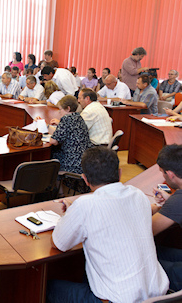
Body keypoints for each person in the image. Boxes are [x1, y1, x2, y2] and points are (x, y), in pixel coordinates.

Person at [47, 147, 169, 303]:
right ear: (119, 173)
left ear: (85, 179)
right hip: (158, 296)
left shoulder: (85, 205)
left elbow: (58, 243)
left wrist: (68, 216)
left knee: (50, 287)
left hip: (117, 300)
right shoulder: (138, 195)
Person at [152, 145, 182, 291]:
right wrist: (171, 200)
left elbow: (146, 231)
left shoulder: (178, 201)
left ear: (170, 174)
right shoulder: (177, 201)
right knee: (157, 250)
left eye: (162, 174)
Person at [48, 95, 93, 173]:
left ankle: (54, 183)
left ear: (68, 108)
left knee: (52, 154)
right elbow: (60, 133)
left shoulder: (66, 119)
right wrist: (47, 127)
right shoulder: (78, 117)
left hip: (72, 162)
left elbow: (53, 141)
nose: (59, 112)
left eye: (60, 109)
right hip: (84, 159)